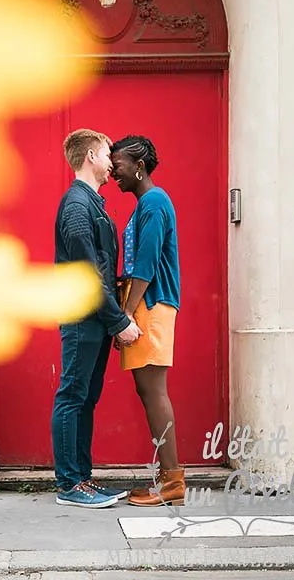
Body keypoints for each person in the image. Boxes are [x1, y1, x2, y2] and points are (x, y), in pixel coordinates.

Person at [52, 128, 142, 508]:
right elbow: (89, 275)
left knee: (85, 397)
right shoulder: (77, 205)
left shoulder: (92, 204)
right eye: (107, 155)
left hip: (94, 319)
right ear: (90, 156)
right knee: (73, 395)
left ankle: (82, 478)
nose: (111, 164)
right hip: (82, 319)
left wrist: (111, 320)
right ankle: (69, 484)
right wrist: (119, 321)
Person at [110, 134, 184, 507]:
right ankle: (168, 480)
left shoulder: (154, 202)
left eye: (118, 166)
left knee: (154, 391)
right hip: (145, 304)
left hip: (150, 305)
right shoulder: (147, 203)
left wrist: (126, 313)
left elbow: (147, 262)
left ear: (138, 166)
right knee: (148, 391)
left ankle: (172, 482)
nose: (113, 173)